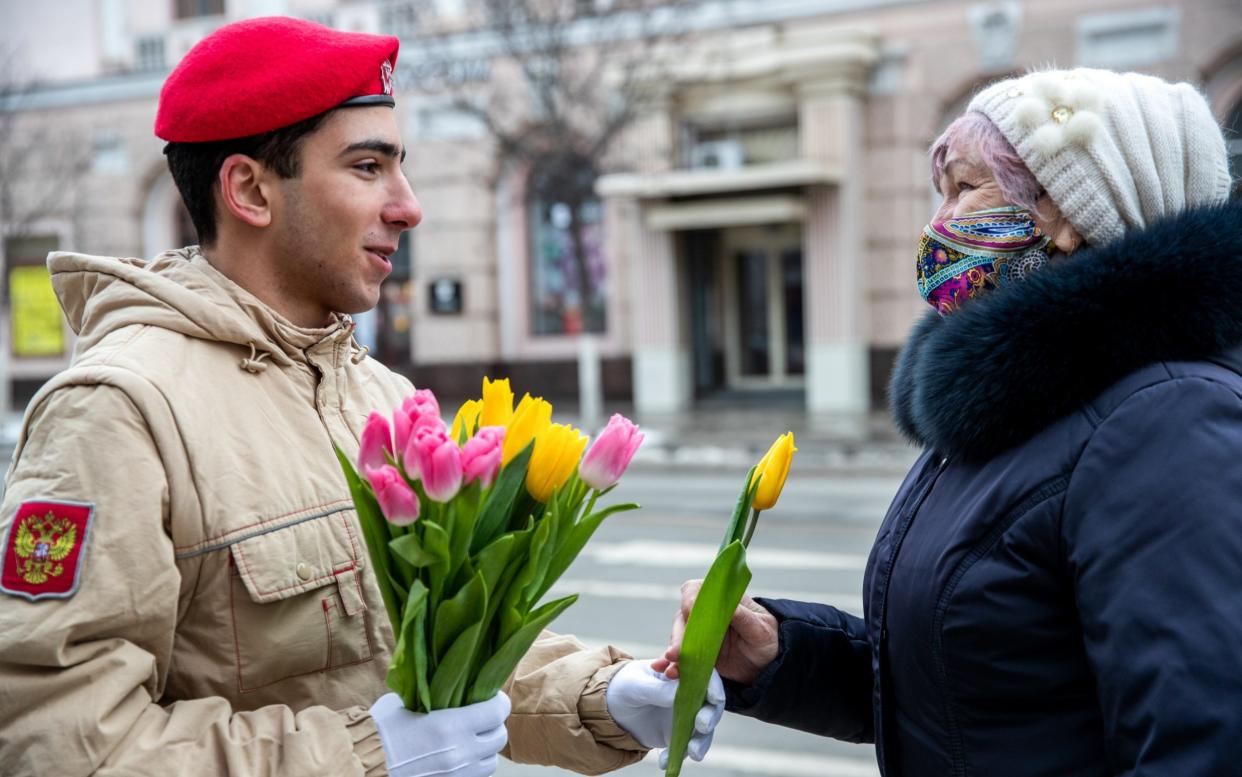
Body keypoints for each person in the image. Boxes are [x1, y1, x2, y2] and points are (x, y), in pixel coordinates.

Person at [0, 17, 723, 777]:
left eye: (398, 167)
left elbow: (444, 646)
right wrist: (363, 755)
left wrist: (605, 696)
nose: (408, 205)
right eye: (368, 167)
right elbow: (55, 738)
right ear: (249, 189)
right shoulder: (118, 409)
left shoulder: (381, 393)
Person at [657, 67, 1242, 776]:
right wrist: (781, 650)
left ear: (1067, 214)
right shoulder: (1005, 405)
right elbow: (957, 688)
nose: (938, 226)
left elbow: (1200, 744)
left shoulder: (1163, 418)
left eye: (965, 188)